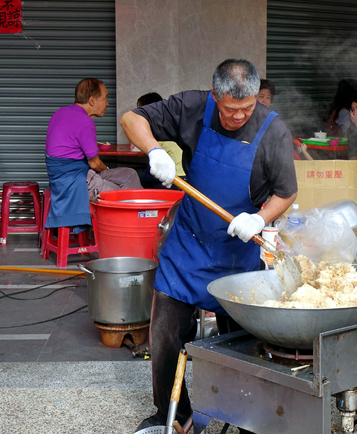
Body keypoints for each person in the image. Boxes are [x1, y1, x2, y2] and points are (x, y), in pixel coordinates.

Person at [120, 59, 298, 434]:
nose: (238, 116)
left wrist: (259, 219)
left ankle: (247, 419)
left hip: (238, 252)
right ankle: (172, 413)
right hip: (189, 244)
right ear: (215, 95)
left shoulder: (272, 129)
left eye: (246, 108)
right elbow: (131, 119)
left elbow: (287, 192)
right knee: (166, 335)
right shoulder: (194, 107)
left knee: (243, 345)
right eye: (230, 109)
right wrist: (154, 151)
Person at [45, 78, 142, 231]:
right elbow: (95, 164)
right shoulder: (85, 122)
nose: (107, 103)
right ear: (92, 100)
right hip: (75, 182)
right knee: (125, 196)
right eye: (105, 97)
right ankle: (135, 227)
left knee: (129, 174)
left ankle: (134, 222)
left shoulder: (61, 112)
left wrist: (106, 173)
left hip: (65, 178)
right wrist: (106, 172)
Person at [135, 92, 186, 189]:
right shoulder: (170, 123)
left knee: (137, 177)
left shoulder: (155, 129)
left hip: (174, 179)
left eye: (140, 110)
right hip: (185, 176)